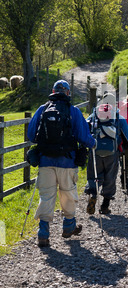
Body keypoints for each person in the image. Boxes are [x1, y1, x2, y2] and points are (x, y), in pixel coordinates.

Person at [28, 80, 96, 247]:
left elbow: (31, 135)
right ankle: (68, 227)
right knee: (67, 194)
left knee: (46, 197)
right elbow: (83, 137)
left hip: (45, 161)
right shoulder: (73, 111)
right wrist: (92, 143)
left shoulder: (42, 109)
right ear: (67, 92)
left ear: (53, 91)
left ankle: (43, 234)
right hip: (67, 161)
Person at [85, 92, 128, 215]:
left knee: (94, 175)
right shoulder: (117, 116)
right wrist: (124, 148)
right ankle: (105, 206)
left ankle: (93, 194)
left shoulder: (94, 114)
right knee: (110, 177)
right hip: (112, 153)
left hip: (95, 150)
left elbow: (85, 128)